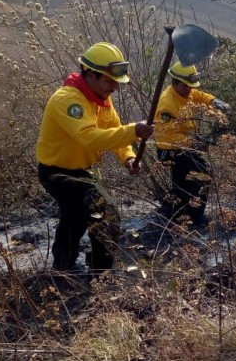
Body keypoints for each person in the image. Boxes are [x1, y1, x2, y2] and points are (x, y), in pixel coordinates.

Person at [36, 42, 154, 278]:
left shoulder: (101, 97)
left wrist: (129, 157)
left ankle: (63, 267)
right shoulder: (68, 101)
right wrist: (134, 130)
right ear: (90, 74)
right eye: (110, 81)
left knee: (75, 217)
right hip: (58, 172)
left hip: (82, 170)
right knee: (107, 216)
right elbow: (90, 138)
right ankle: (101, 275)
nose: (115, 88)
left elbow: (115, 132)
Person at [154, 61, 230, 229]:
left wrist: (213, 101)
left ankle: (178, 216)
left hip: (185, 146)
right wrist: (193, 142)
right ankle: (195, 220)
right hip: (172, 150)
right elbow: (167, 136)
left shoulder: (184, 91)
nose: (189, 89)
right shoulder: (167, 103)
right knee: (202, 176)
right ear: (174, 82)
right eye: (186, 86)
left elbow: (198, 95)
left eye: (190, 85)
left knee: (183, 185)